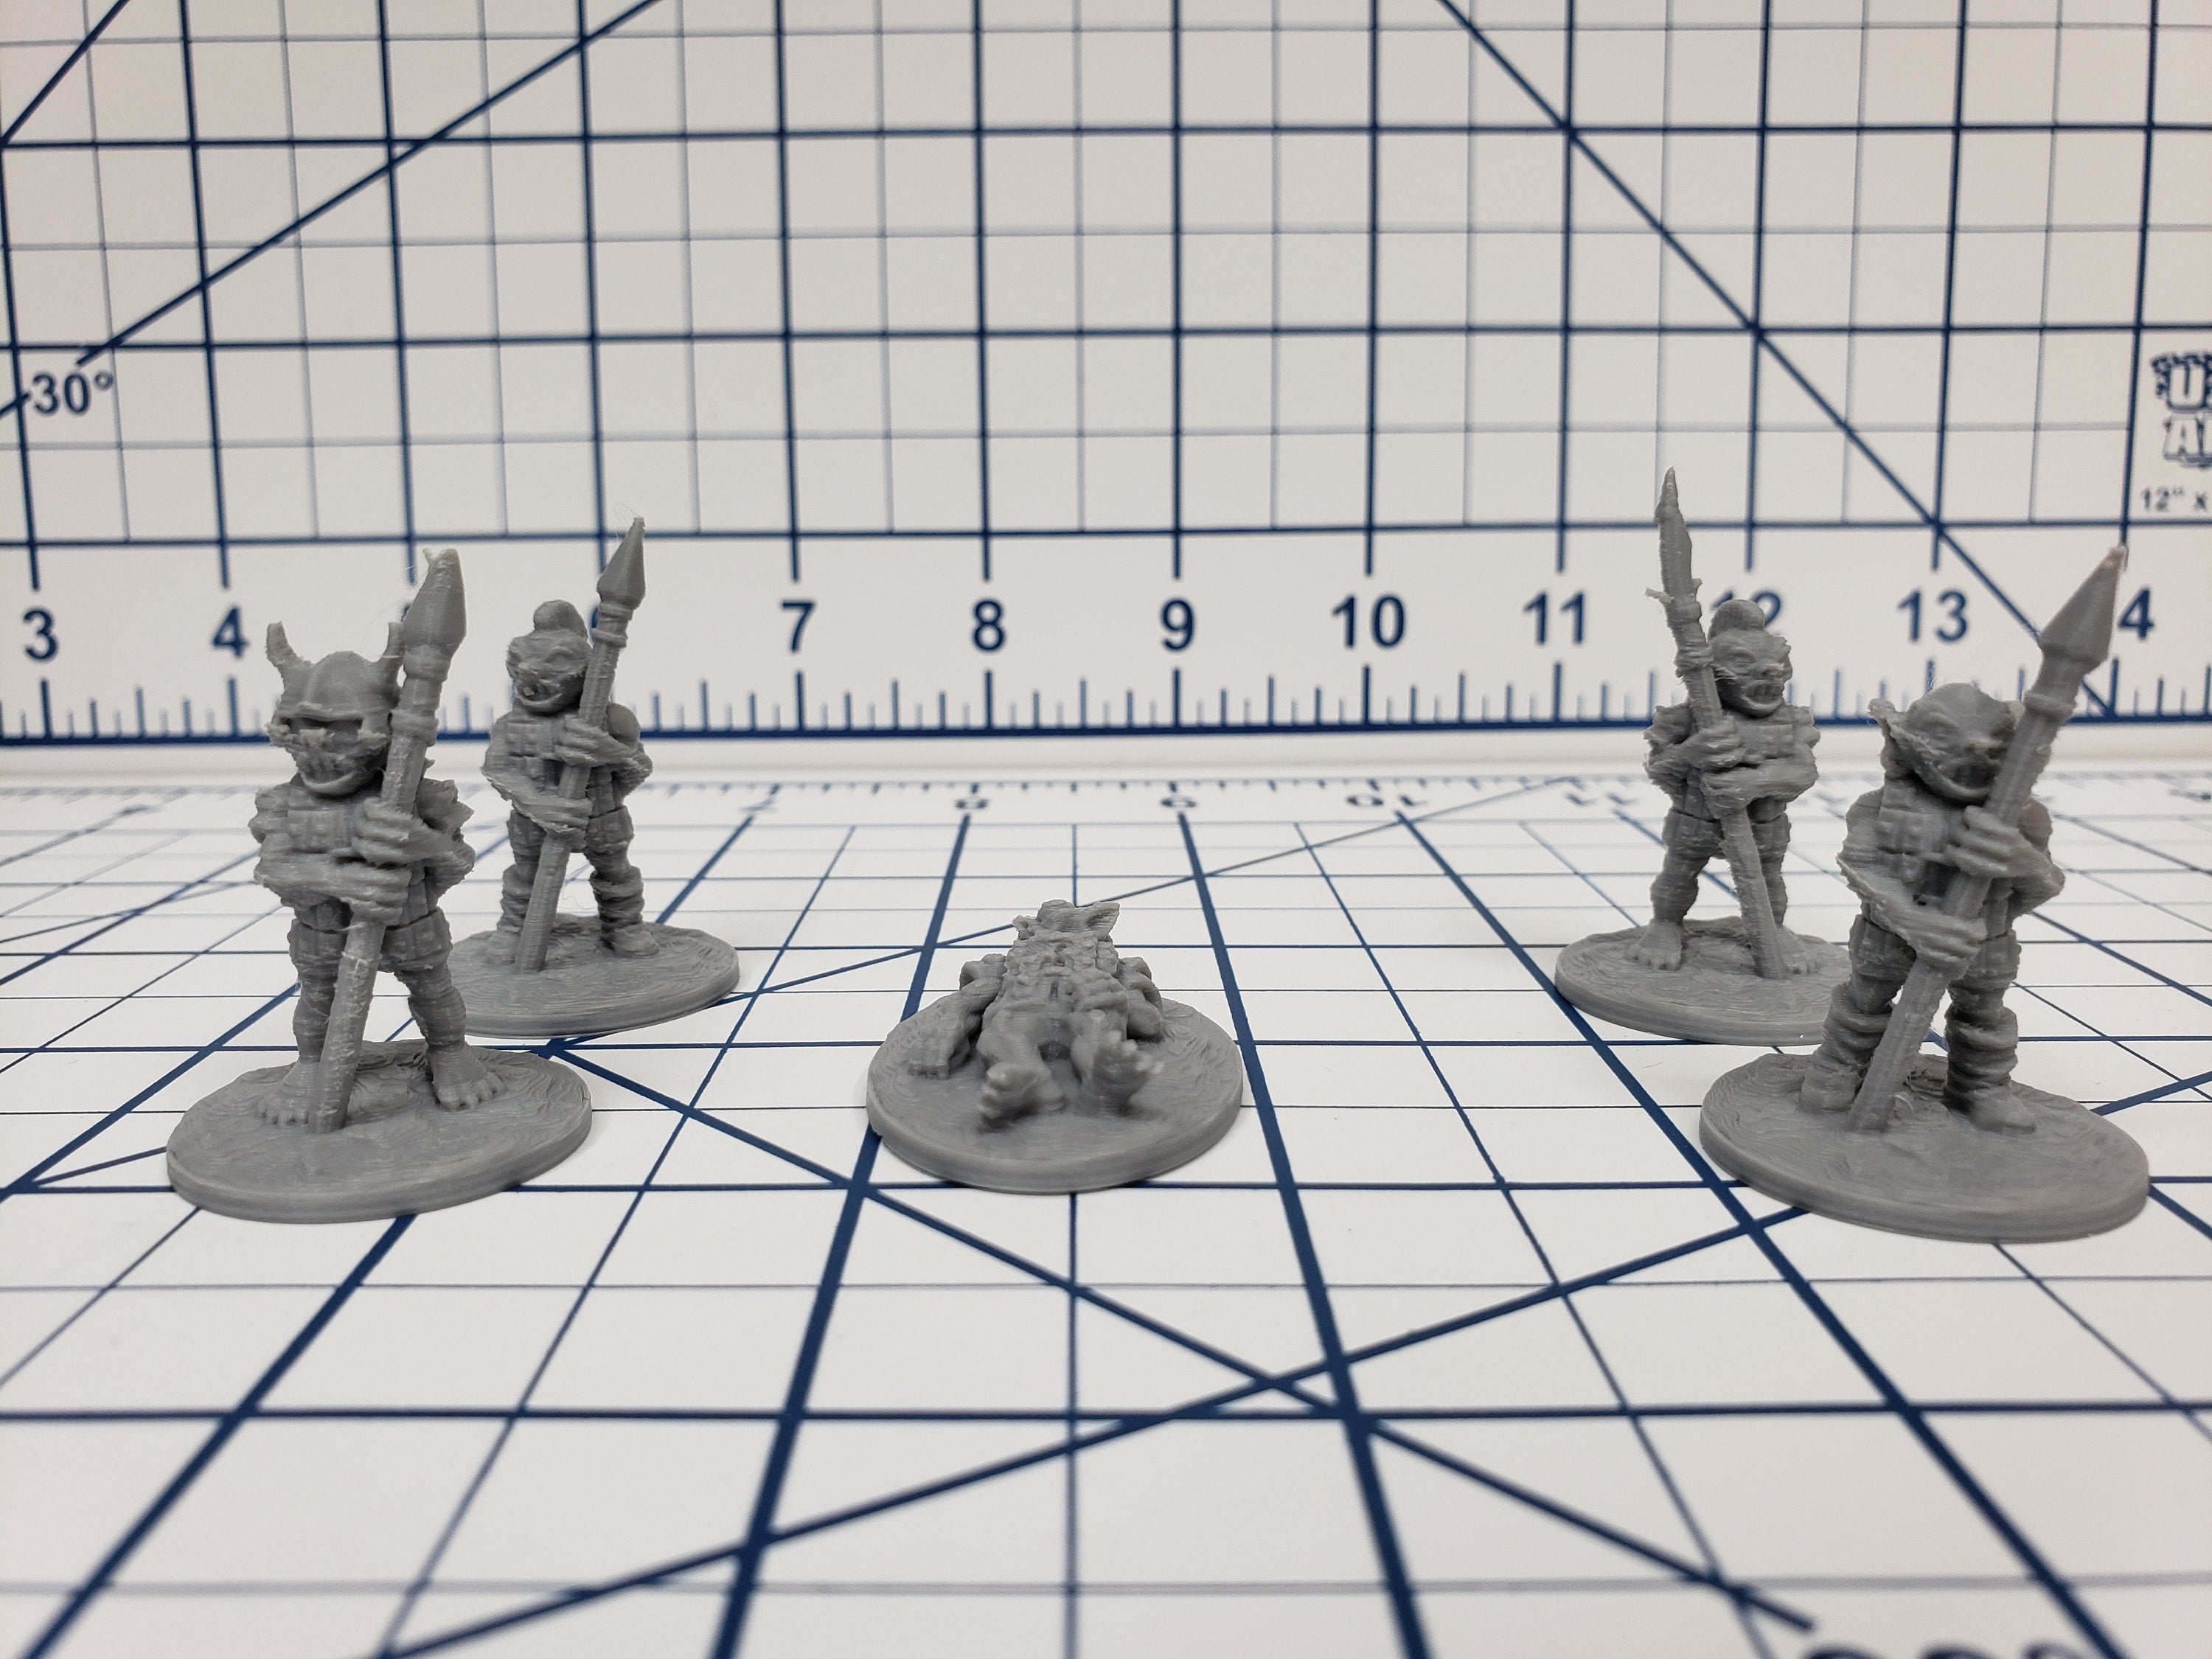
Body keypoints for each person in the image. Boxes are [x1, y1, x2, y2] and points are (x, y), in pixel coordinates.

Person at [254, 624, 495, 1122]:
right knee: (318, 998)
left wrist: (424, 842)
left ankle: (451, 1054)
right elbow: (275, 868)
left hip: (410, 923)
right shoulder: (285, 803)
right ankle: (312, 1063)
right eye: (304, 736)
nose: (320, 756)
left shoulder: (417, 798)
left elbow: (458, 862)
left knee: (433, 990)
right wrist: (339, 880)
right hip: (324, 930)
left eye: (342, 734)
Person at [1798, 684, 2065, 1132]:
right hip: (1890, 936)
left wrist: (2024, 863)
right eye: (1945, 739)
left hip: (1981, 941)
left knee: (1983, 1019)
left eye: (1994, 746)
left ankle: (1981, 1088)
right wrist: (1913, 920)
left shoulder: (2025, 820)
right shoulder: (1879, 807)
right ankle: (1838, 1068)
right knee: (1863, 1004)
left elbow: (2044, 886)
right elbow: (1860, 866)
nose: (1976, 751)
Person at [481, 601, 656, 961]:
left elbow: (638, 770)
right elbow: (498, 770)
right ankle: (515, 929)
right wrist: (540, 804)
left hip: (602, 817)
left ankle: (623, 927)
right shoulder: (509, 727)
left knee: (615, 873)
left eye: (547, 677)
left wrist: (609, 752)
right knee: (526, 879)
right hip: (534, 821)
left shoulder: (613, 721)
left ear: (584, 678)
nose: (530, 687)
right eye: (521, 678)